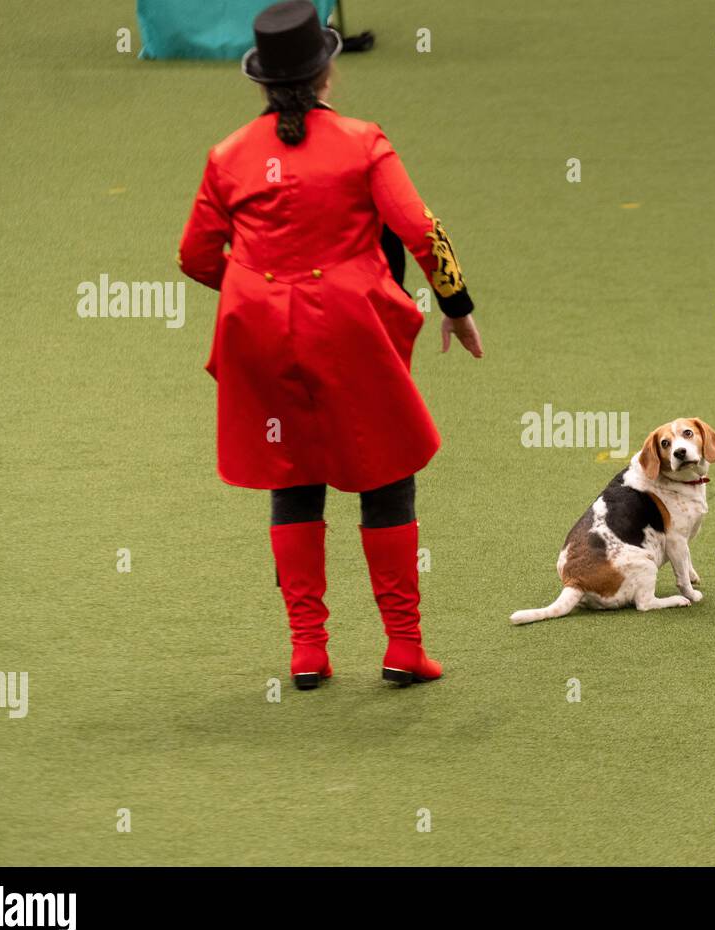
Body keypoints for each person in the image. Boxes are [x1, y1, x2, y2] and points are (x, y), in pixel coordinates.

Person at [177, 0, 482, 690]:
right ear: (326, 73)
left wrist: (260, 284)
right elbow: (420, 229)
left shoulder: (227, 156)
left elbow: (196, 257)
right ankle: (404, 647)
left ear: (260, 82)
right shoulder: (362, 140)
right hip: (350, 327)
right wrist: (456, 306)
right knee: (386, 471)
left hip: (259, 330)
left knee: (293, 475)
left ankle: (308, 651)